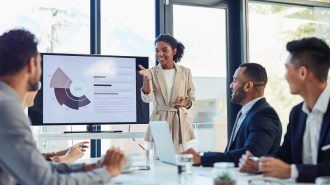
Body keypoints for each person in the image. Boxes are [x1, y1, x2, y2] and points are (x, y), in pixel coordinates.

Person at [0, 28, 126, 185]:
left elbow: (36, 168)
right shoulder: (7, 109)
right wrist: (106, 173)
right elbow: (45, 181)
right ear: (32, 64)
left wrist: (87, 168)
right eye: (40, 63)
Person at [239, 37, 330, 183]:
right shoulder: (297, 113)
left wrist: (291, 171)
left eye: (287, 69)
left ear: (302, 73)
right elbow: (285, 154)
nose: (285, 76)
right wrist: (260, 164)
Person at [184, 63, 282, 166]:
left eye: (235, 81)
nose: (231, 85)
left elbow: (249, 156)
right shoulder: (246, 113)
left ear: (248, 86)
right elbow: (232, 153)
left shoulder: (264, 115)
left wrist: (202, 158)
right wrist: (201, 155)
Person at [138, 34, 195, 152]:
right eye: (157, 50)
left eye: (164, 50)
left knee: (182, 161)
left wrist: (184, 102)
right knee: (160, 161)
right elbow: (147, 99)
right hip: (160, 121)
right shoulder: (151, 72)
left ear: (174, 51)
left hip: (181, 123)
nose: (160, 54)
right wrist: (147, 79)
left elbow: (191, 100)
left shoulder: (185, 72)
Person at [23, 83, 89, 163]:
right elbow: (31, 166)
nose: (38, 91)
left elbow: (37, 158)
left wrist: (67, 152)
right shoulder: (13, 120)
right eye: (37, 85)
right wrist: (68, 158)